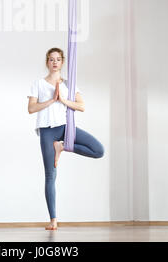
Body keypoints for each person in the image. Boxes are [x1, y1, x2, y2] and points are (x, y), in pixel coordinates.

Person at [27, 47, 104, 230]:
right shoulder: (38, 83)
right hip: (47, 131)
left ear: (62, 62)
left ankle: (62, 147)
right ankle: (53, 220)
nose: (55, 62)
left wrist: (63, 99)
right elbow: (31, 109)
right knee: (50, 175)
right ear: (47, 62)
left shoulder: (69, 84)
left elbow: (81, 106)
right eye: (51, 59)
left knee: (98, 150)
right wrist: (52, 100)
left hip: (66, 127)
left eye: (58, 59)